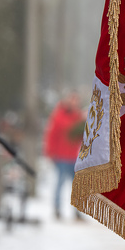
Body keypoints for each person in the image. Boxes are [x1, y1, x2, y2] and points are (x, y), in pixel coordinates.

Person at [43, 91, 85, 220]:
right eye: (72, 100)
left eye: (76, 101)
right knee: (60, 184)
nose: (74, 103)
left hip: (74, 156)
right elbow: (51, 134)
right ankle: (57, 209)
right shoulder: (58, 115)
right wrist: (49, 152)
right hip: (60, 156)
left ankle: (77, 211)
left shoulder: (79, 117)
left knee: (77, 186)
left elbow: (82, 135)